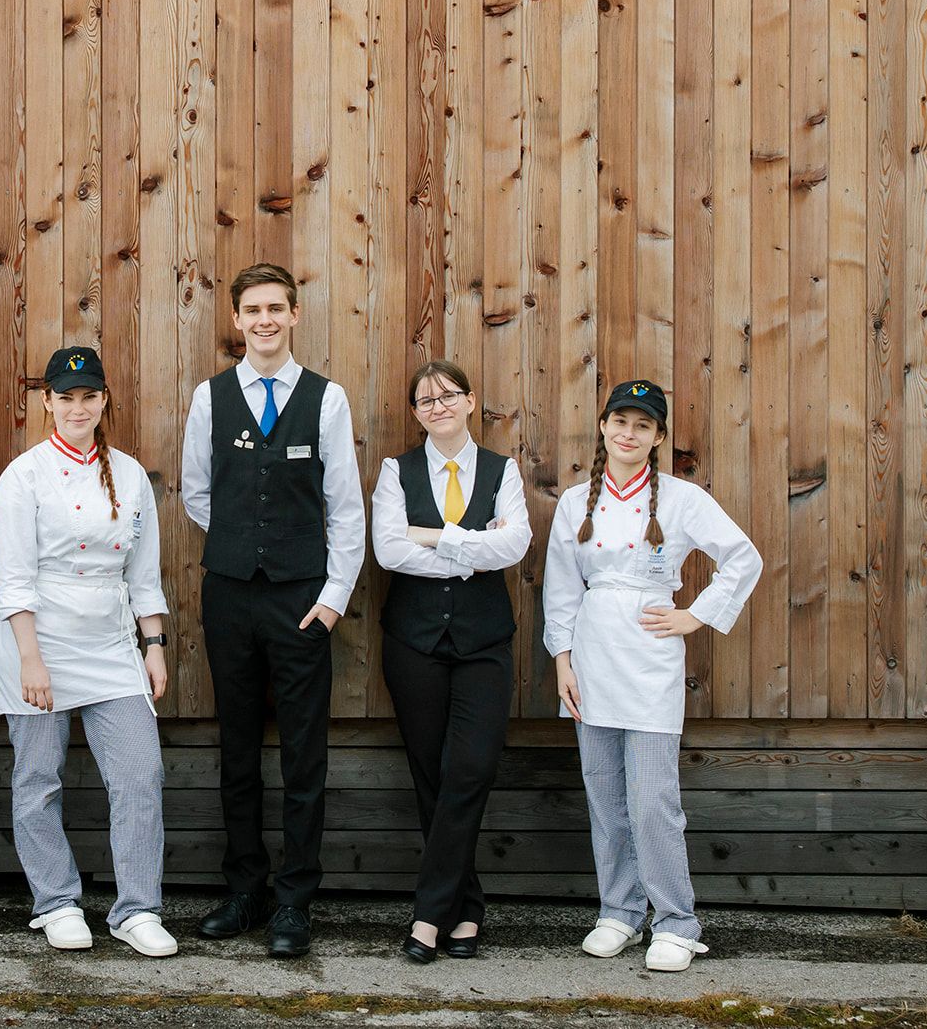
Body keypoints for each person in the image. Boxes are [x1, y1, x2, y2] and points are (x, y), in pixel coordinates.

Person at [542, 379, 761, 973]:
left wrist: (695, 615)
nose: (628, 433)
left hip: (649, 659)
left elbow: (743, 557)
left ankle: (676, 921)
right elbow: (562, 587)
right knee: (605, 796)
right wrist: (561, 659)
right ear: (604, 426)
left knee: (652, 800)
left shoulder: (684, 500)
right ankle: (619, 911)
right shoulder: (573, 503)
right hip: (590, 658)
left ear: (658, 436)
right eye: (620, 421)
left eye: (642, 425)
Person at [182, 262, 366, 958]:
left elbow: (345, 508)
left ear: (294, 316)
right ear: (237, 320)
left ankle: (294, 900)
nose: (263, 319)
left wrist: (329, 599)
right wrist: (240, 542)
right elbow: (199, 493)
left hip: (301, 600)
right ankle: (244, 889)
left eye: (275, 308)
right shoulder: (212, 396)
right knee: (235, 748)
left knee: (302, 753)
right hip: (229, 594)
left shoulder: (326, 398)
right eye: (251, 309)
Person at [0, 346, 177, 959]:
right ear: (48, 401)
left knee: (138, 775)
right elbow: (12, 578)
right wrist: (30, 658)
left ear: (103, 400)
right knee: (38, 778)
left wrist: (153, 644)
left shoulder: (127, 474)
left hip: (111, 640)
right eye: (64, 396)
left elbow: (143, 574)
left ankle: (137, 908)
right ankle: (56, 901)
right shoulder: (24, 474)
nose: (77, 407)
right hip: (37, 636)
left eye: (88, 396)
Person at [371, 359, 531, 963]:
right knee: (430, 775)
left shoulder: (502, 470)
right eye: (424, 400)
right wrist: (472, 549)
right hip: (414, 644)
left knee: (471, 768)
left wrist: (435, 537)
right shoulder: (397, 470)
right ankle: (465, 911)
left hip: (483, 643)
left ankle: (427, 916)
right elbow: (388, 549)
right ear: (415, 414)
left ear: (469, 402)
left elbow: (514, 544)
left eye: (448, 396)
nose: (437, 406)